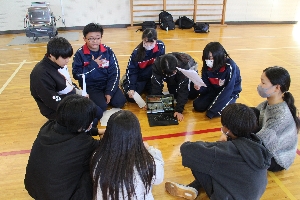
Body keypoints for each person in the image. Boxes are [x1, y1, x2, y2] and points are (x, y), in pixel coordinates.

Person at [165, 103, 272, 200]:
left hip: (231, 196)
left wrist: (219, 144)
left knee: (201, 159)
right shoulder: (257, 142)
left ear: (227, 128)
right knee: (214, 163)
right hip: (251, 194)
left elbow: (186, 149)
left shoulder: (226, 151)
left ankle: (194, 187)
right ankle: (194, 187)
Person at [24, 95, 104, 200]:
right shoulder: (84, 144)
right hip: (57, 196)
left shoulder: (48, 126)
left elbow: (76, 129)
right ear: (82, 125)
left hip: (34, 188)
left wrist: (97, 131)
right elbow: (106, 148)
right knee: (97, 170)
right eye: (90, 122)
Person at [90, 110, 164, 200]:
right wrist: (151, 150)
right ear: (136, 134)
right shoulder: (148, 164)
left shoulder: (96, 157)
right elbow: (159, 179)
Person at [30, 37, 102, 127]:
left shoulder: (59, 63)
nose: (67, 60)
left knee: (98, 112)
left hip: (69, 99)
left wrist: (79, 93)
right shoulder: (41, 74)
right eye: (64, 58)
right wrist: (78, 105)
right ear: (52, 55)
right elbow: (54, 103)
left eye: (68, 57)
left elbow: (67, 82)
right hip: (58, 109)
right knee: (90, 122)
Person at [72, 23, 126, 114]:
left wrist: (110, 91)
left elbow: (115, 73)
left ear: (101, 37)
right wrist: (93, 65)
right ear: (84, 39)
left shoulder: (108, 51)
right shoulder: (79, 54)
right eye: (91, 38)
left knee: (120, 102)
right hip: (91, 86)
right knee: (102, 106)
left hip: (106, 83)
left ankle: (107, 95)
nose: (95, 41)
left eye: (97, 38)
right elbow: (77, 75)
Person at [255, 66, 300, 171]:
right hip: (268, 141)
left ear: (277, 88)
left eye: (263, 83)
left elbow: (260, 142)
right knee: (248, 115)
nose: (259, 86)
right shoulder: (268, 103)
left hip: (277, 159)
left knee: (244, 154)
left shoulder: (280, 117)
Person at [193, 42, 242, 119]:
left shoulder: (230, 66)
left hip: (229, 93)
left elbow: (228, 90)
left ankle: (223, 103)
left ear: (219, 56)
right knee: (198, 106)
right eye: (207, 58)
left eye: (211, 58)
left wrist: (212, 111)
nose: (208, 61)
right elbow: (207, 86)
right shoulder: (207, 66)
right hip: (214, 90)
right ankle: (215, 101)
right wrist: (200, 88)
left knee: (215, 111)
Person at [151, 52, 199, 121]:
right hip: (173, 76)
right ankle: (172, 81)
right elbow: (156, 85)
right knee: (174, 95)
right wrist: (153, 102)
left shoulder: (184, 66)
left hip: (189, 75)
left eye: (172, 73)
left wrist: (179, 110)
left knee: (192, 95)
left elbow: (183, 89)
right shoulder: (157, 65)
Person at [121, 28, 165, 102]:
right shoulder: (136, 53)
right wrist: (132, 88)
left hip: (151, 76)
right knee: (131, 98)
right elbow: (132, 71)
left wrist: (158, 83)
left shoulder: (161, 46)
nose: (148, 45)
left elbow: (160, 66)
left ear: (156, 40)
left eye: (151, 43)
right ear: (142, 39)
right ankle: (124, 81)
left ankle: (146, 86)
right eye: (145, 41)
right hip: (140, 77)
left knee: (157, 96)